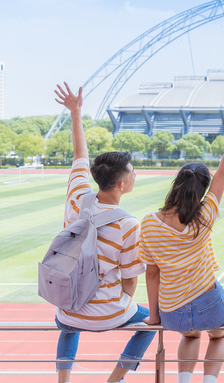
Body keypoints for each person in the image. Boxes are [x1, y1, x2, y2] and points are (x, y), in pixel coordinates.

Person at [140, 100, 224, 383]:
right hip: (209, 300)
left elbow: (152, 272)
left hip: (171, 309)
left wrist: (155, 316)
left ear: (176, 184)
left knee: (190, 336)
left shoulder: (148, 223)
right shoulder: (206, 215)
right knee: (220, 336)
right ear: (202, 189)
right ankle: (209, 380)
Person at [52, 83, 155, 383]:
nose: (136, 174)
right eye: (133, 172)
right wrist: (118, 303)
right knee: (150, 323)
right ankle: (115, 379)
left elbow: (79, 153)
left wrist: (76, 112)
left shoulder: (77, 195)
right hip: (111, 312)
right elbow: (130, 280)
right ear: (122, 185)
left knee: (67, 321)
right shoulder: (128, 224)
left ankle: (63, 380)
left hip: (69, 308)